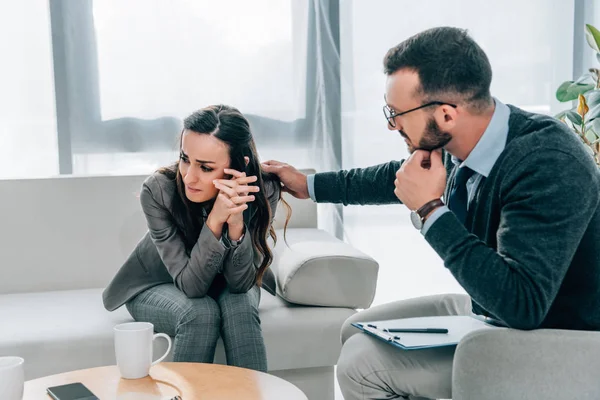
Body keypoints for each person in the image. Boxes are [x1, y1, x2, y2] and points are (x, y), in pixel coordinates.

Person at [262, 26, 600, 399]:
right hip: (494, 312)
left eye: (397, 113)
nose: (392, 125)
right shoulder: (468, 140)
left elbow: (523, 304)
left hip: (561, 339)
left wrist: (430, 210)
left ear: (446, 114)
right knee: (354, 330)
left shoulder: (548, 162)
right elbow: (395, 176)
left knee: (361, 367)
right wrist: (308, 186)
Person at [103, 105, 288, 372]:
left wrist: (235, 223)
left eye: (206, 167)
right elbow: (192, 288)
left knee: (240, 307)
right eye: (185, 158)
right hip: (156, 285)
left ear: (240, 165)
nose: (189, 176)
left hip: (226, 283)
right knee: (200, 312)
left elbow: (240, 284)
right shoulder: (158, 191)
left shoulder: (263, 189)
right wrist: (215, 220)